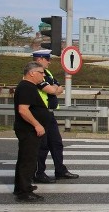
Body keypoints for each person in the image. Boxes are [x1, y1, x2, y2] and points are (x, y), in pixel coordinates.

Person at [32, 50, 79, 183]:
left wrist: (55, 88)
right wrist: (54, 88)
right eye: (47, 59)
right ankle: (39, 173)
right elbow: (53, 90)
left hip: (49, 113)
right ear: (40, 59)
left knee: (56, 143)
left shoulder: (47, 73)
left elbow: (59, 87)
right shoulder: (35, 74)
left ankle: (60, 170)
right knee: (43, 146)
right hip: (40, 113)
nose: (49, 61)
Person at [14, 61, 50, 201]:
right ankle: (24, 191)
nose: (43, 76)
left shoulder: (28, 86)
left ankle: (21, 186)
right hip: (28, 130)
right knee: (28, 160)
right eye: (41, 73)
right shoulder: (26, 87)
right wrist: (37, 124)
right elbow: (23, 110)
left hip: (27, 129)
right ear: (32, 73)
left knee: (25, 158)